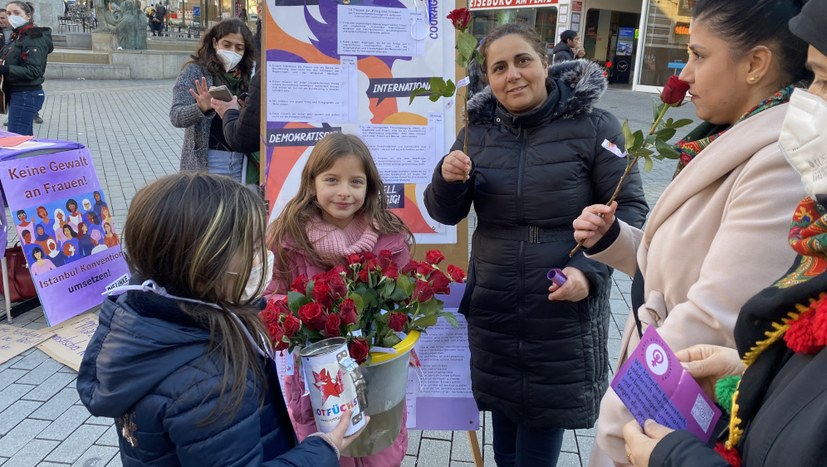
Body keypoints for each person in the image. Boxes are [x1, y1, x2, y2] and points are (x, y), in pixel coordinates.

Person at [571, 1, 812, 465]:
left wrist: (616, 423)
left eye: (699, 56)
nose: (686, 74)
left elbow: (715, 316)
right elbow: (684, 261)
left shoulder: (779, 160)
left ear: (755, 64)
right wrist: (613, 240)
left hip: (675, 401)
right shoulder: (729, 135)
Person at [423, 22, 649, 466]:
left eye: (523, 60)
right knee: (504, 437)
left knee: (540, 438)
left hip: (559, 307)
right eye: (499, 67)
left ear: (546, 63)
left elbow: (631, 209)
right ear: (487, 77)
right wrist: (446, 179)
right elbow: (445, 211)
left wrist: (589, 271)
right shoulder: (478, 130)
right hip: (497, 305)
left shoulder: (594, 124)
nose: (513, 75)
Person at [77, 172, 367, 466]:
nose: (263, 256)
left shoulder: (141, 319)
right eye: (252, 247)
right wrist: (320, 451)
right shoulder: (211, 385)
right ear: (204, 263)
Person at [266, 133, 412, 467]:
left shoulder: (389, 235)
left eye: (355, 182)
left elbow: (403, 302)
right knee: (327, 454)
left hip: (376, 371)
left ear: (369, 187)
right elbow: (269, 296)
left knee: (379, 450)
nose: (344, 192)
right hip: (317, 379)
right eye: (332, 180)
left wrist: (397, 333)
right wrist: (298, 317)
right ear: (312, 183)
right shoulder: (287, 235)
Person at [171, 18, 255, 181]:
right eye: (227, 45)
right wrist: (200, 108)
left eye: (239, 48)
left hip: (242, 163)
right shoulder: (195, 71)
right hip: (208, 162)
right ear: (215, 42)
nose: (233, 52)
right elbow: (176, 116)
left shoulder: (248, 76)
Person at [0, 1, 52, 136]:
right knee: (23, 140)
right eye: (9, 13)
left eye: (16, 13)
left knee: (17, 141)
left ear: (28, 16)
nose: (12, 17)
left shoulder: (33, 38)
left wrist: (5, 69)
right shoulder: (18, 36)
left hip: (25, 94)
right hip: (18, 93)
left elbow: (34, 71)